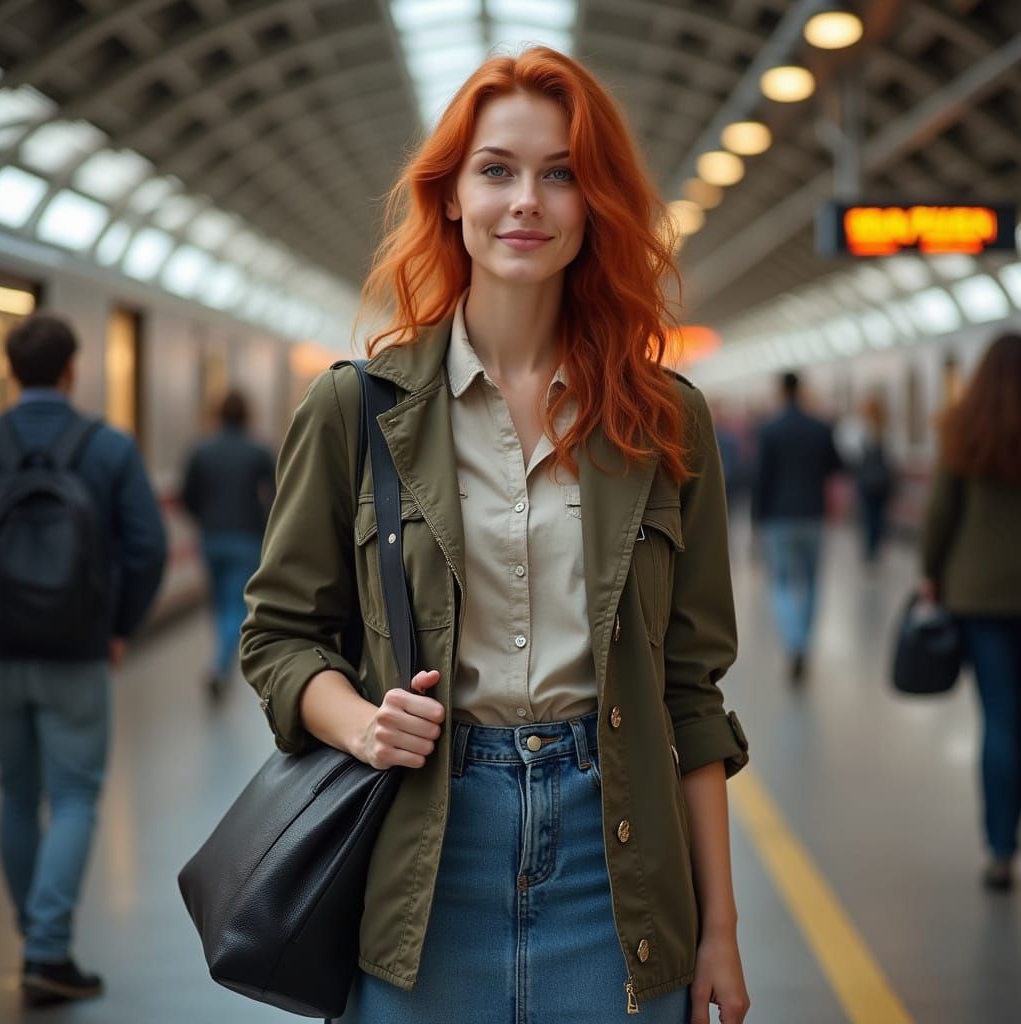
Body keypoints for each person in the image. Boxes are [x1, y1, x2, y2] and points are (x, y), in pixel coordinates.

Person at [241, 47, 750, 1024]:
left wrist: (718, 929)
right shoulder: (357, 408)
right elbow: (275, 638)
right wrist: (359, 721)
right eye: (497, 169)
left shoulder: (662, 422)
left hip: (617, 866)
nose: (527, 200)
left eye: (561, 173)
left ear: (596, 204)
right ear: (450, 197)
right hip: (420, 864)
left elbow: (690, 692)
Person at [0, 314, 166, 1004]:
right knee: (72, 795)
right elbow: (147, 547)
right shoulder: (107, 447)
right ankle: (47, 947)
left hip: (0, 650)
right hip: (76, 650)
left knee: (15, 791)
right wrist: (117, 626)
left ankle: (35, 932)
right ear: (72, 370)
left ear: (11, 370)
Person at [920, 333, 1021, 892]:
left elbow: (939, 513)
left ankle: (1001, 850)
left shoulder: (964, 427)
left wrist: (931, 573)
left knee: (1001, 720)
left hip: (980, 597)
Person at [181, 390, 274, 699]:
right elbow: (274, 495)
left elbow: (187, 496)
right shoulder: (257, 451)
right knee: (236, 602)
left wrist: (204, 519)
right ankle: (220, 665)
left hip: (211, 538)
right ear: (246, 415)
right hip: (246, 537)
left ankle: (220, 659)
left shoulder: (201, 451)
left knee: (219, 601)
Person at [752, 371, 842, 683]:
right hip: (813, 515)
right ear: (802, 389)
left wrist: (756, 521)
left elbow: (760, 480)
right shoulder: (819, 427)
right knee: (814, 581)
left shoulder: (769, 430)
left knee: (783, 582)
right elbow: (836, 465)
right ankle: (805, 639)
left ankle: (794, 643)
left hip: (778, 518)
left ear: (780, 390)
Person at [852, 395, 896, 564]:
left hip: (866, 482)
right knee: (879, 516)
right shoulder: (885, 430)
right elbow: (892, 459)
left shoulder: (861, 430)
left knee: (868, 516)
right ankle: (875, 547)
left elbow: (855, 457)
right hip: (883, 482)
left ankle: (870, 549)